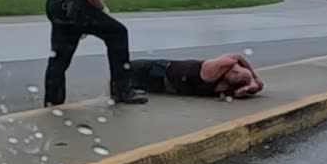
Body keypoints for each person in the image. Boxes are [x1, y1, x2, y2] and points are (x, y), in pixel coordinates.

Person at [109, 53, 265, 100]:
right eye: (236, 71)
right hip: (159, 70)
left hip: (164, 85)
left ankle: (117, 93)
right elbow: (236, 56)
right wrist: (254, 77)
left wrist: (251, 84)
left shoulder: (230, 87)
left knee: (132, 87)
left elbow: (258, 88)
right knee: (122, 72)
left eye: (239, 82)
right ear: (234, 69)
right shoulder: (215, 68)